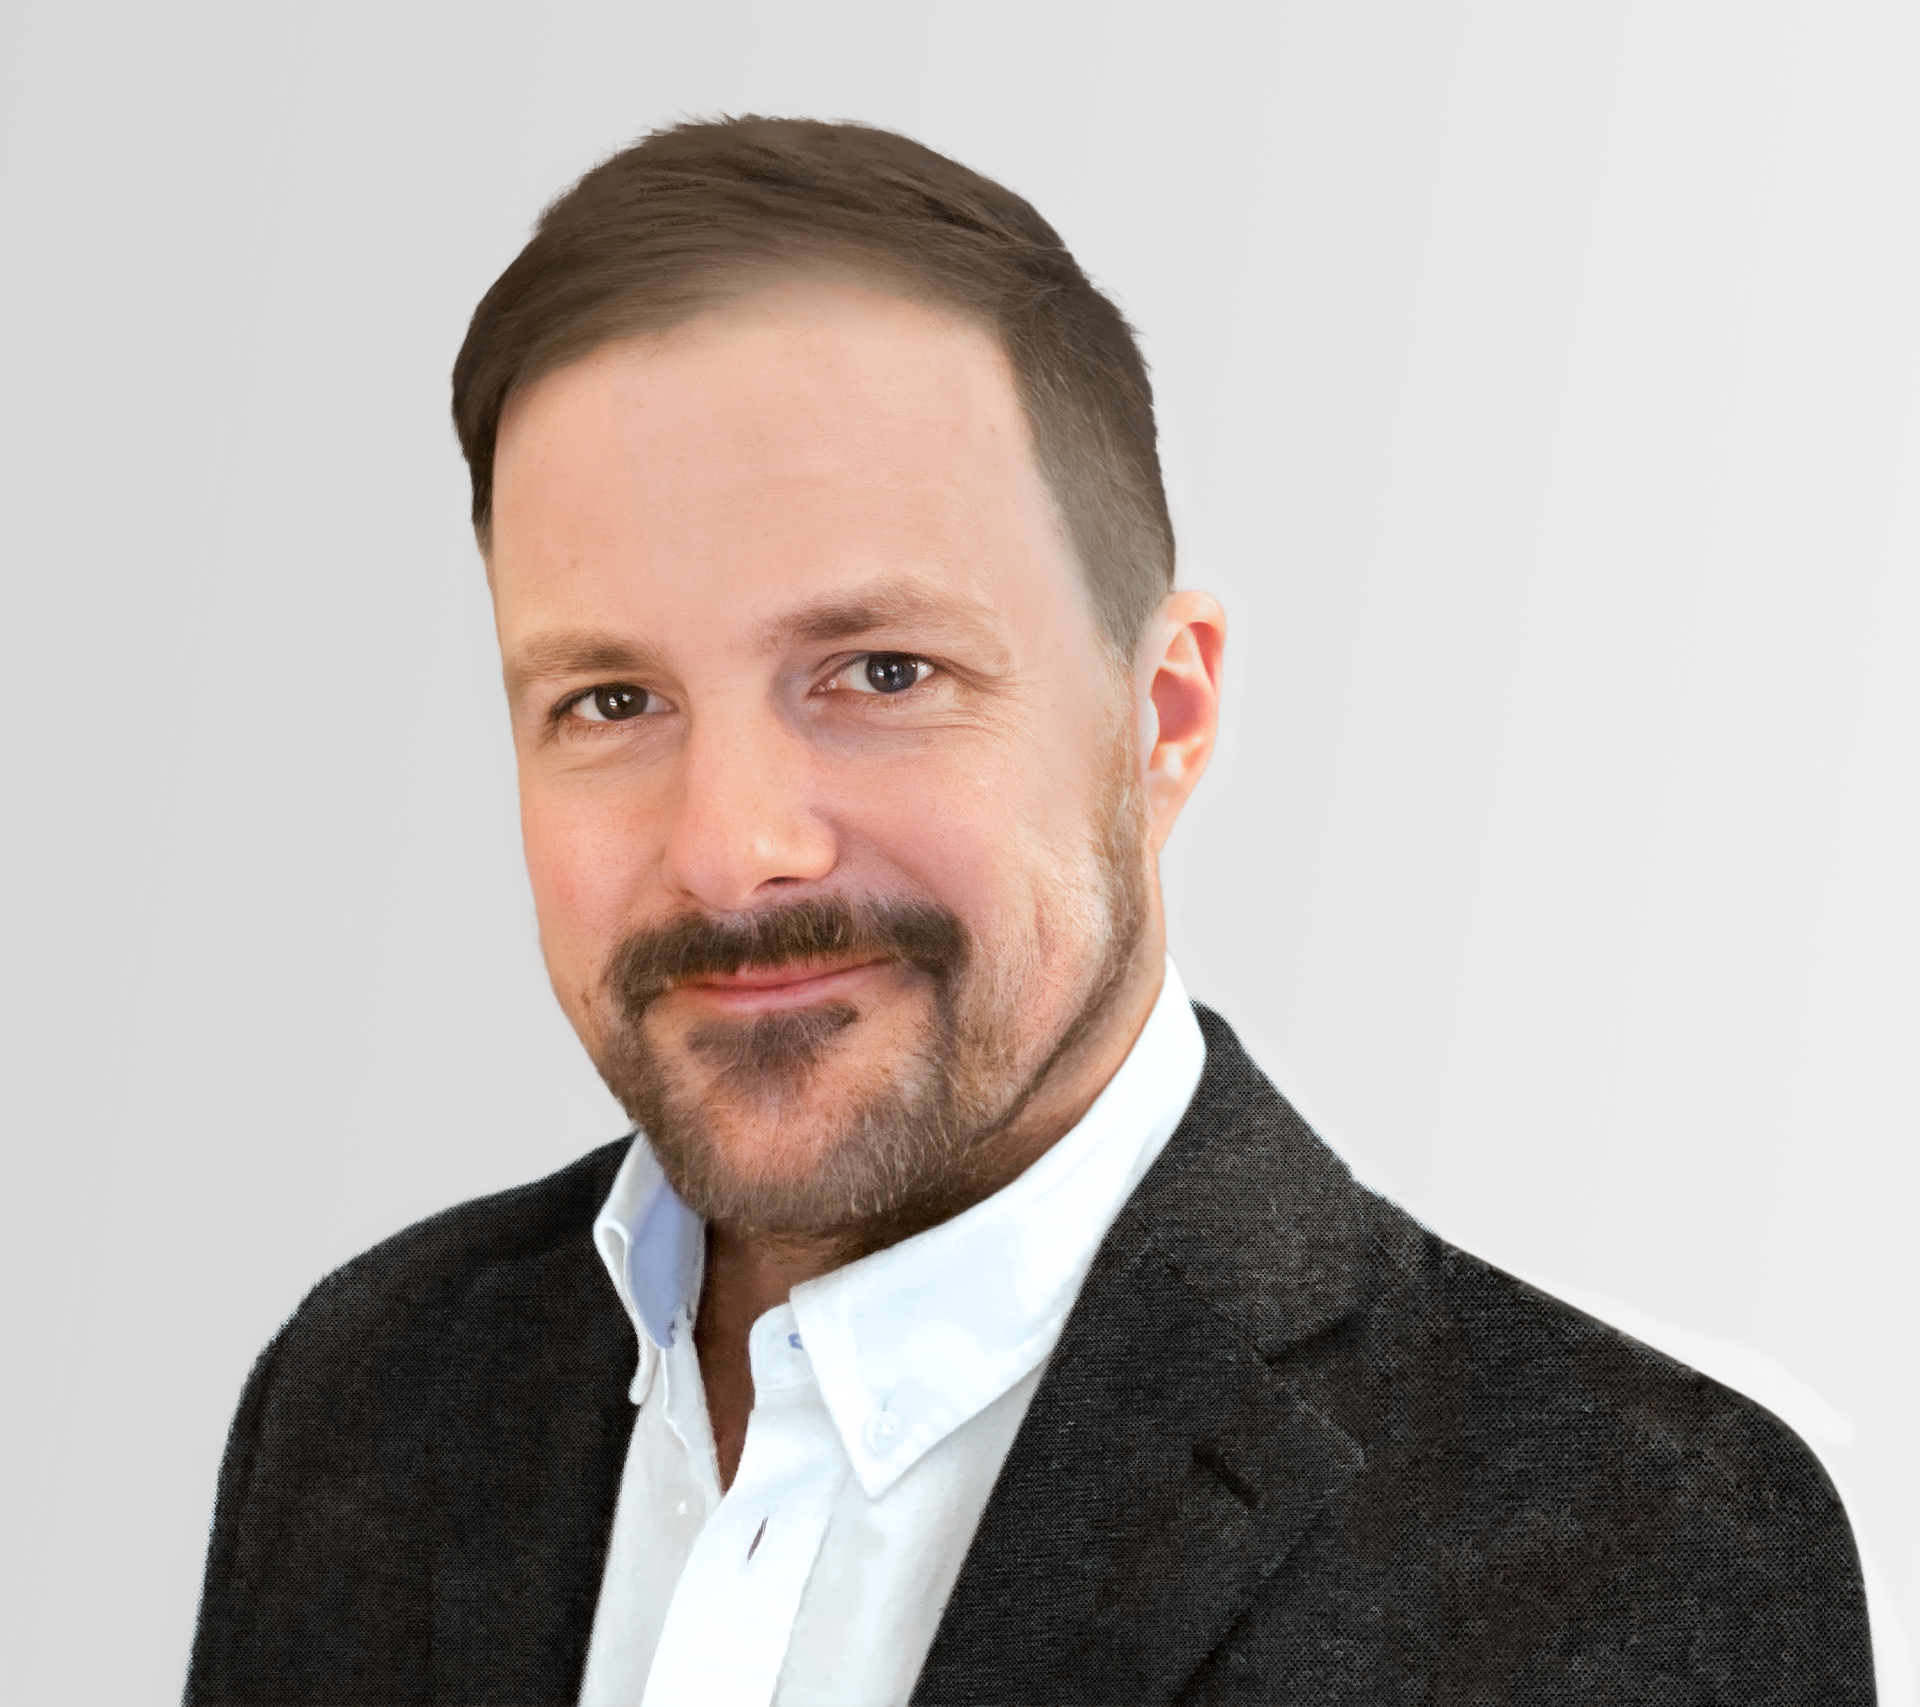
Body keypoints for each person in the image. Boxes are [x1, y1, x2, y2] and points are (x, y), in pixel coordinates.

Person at [184, 117, 1875, 1706]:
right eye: (611, 701)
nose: (733, 850)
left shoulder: (1631, 1553)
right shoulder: (363, 1389)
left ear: (1164, 717)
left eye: (881, 671)